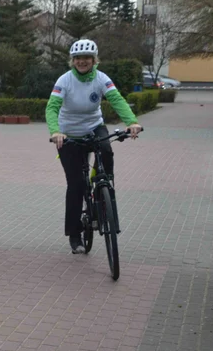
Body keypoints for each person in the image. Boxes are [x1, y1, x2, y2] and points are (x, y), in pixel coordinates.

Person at [47, 39, 142, 253]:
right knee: (76, 185)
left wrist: (131, 122)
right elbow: (52, 107)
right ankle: (74, 234)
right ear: (73, 61)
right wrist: (55, 131)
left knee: (107, 149)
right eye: (78, 58)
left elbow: (117, 100)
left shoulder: (101, 79)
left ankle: (104, 189)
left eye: (86, 58)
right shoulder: (65, 80)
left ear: (94, 60)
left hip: (94, 127)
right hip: (68, 134)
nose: (82, 62)